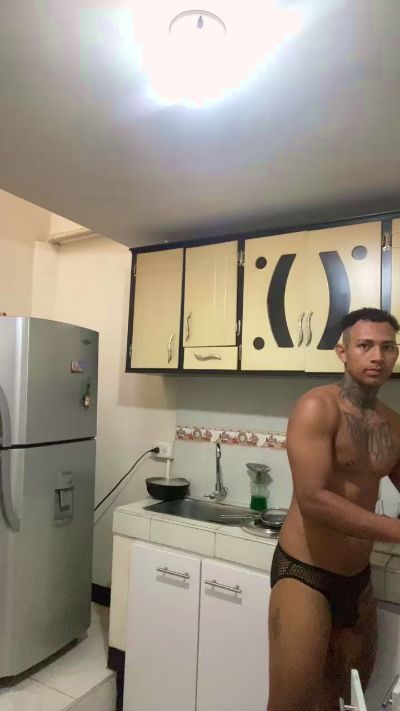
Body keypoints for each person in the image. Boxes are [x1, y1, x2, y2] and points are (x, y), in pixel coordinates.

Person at [267, 307, 400, 711]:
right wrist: (394, 531)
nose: (377, 356)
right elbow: (314, 499)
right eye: (365, 345)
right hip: (305, 574)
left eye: (388, 347)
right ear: (343, 352)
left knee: (344, 700)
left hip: (357, 580)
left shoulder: (393, 424)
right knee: (291, 704)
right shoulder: (317, 407)